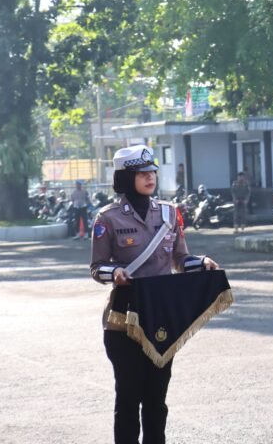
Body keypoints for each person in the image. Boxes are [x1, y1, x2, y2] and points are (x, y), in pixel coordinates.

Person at [90, 145, 220, 444]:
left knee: (156, 399)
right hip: (123, 319)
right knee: (127, 397)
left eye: (152, 172)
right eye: (142, 173)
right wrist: (116, 273)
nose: (150, 178)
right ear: (126, 177)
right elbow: (97, 268)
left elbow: (179, 259)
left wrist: (200, 263)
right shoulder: (106, 218)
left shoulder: (169, 213)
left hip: (161, 318)